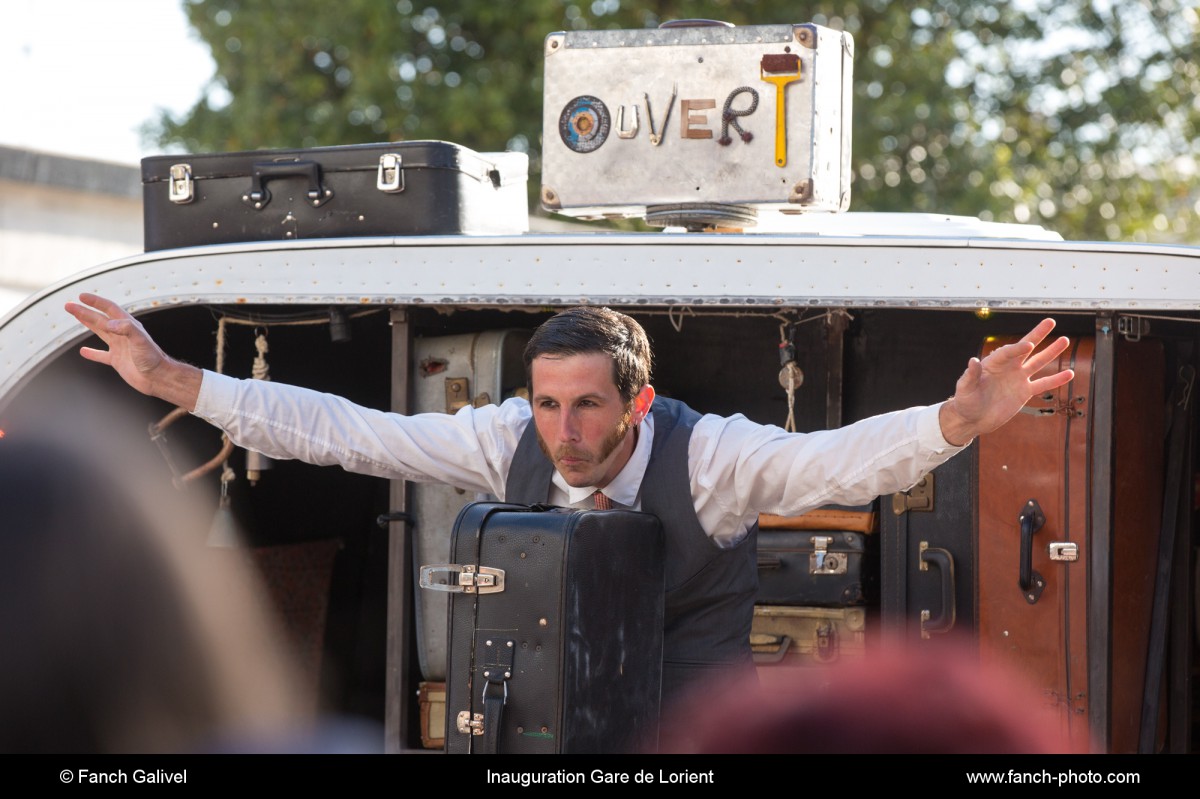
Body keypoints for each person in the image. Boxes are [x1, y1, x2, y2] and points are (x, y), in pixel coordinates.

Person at [65, 293, 1073, 702]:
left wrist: (956, 423)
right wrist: (180, 384)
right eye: (549, 404)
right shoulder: (503, 435)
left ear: (635, 399)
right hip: (555, 717)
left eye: (587, 405)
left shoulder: (712, 455)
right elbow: (347, 433)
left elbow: (838, 464)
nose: (566, 431)